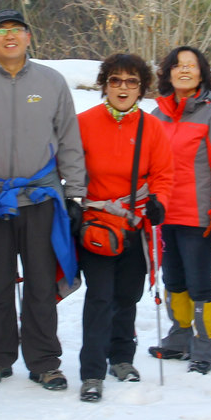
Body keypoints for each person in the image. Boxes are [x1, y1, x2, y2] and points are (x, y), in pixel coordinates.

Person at [0, 9, 86, 392]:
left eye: (16, 30)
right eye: (0, 31)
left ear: (29, 37)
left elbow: (68, 139)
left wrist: (75, 192)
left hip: (42, 197)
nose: (9, 37)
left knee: (41, 284)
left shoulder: (51, 81)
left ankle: (44, 361)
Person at [75, 54, 174, 401]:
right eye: (115, 80)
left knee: (127, 296)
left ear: (142, 88)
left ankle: (121, 358)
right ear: (104, 84)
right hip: (97, 225)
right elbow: (69, 166)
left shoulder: (153, 128)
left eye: (131, 81)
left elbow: (164, 173)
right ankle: (91, 372)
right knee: (99, 296)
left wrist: (159, 199)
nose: (123, 87)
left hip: (135, 224)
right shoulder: (83, 122)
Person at [151, 46, 211, 374]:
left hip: (198, 216)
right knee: (172, 279)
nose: (184, 70)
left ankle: (203, 343)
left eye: (192, 65)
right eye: (178, 65)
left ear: (202, 73)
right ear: (168, 72)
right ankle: (179, 334)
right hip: (164, 215)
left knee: (200, 282)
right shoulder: (156, 116)